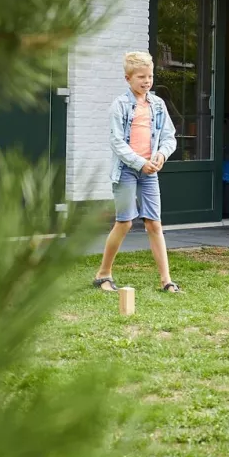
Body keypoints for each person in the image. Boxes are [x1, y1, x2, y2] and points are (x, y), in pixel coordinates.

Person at [93, 51, 181, 295]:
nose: (147, 81)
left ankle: (166, 281)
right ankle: (103, 274)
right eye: (141, 76)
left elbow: (168, 137)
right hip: (126, 171)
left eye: (150, 76)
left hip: (149, 171)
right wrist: (139, 162)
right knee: (125, 222)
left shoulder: (158, 105)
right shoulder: (120, 106)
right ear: (127, 78)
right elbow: (117, 142)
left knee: (155, 223)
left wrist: (161, 155)